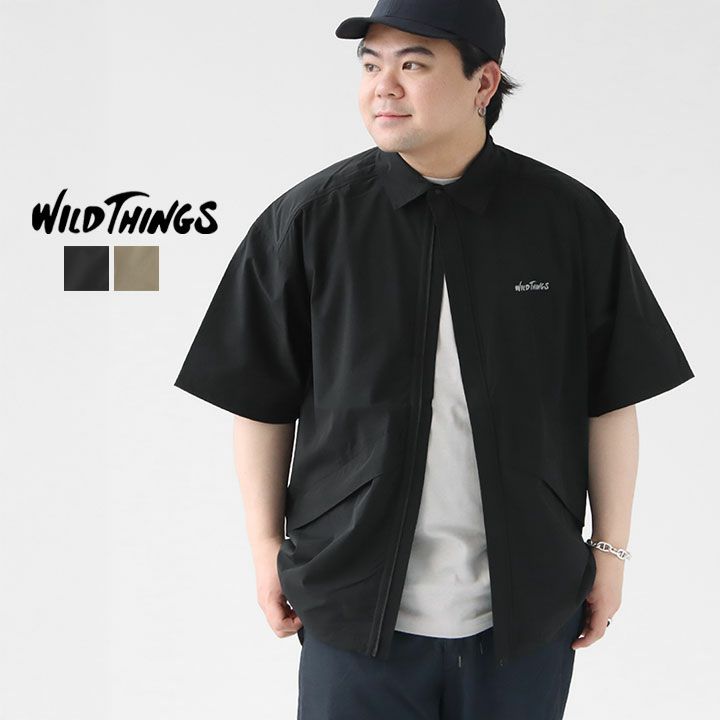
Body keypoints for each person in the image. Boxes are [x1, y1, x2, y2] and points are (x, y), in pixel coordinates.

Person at [174, 1, 695, 717]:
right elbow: (261, 402)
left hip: (526, 610)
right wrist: (265, 549)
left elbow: (609, 400)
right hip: (354, 608)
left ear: (485, 82)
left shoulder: (569, 222)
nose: (383, 87)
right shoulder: (310, 221)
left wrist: (612, 551)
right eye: (370, 65)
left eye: (412, 64)